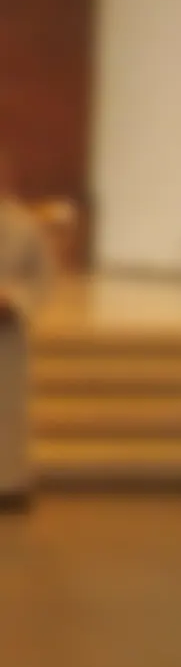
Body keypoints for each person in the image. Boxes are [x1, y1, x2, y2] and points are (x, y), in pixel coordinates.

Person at [0, 151, 49, 509]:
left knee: (7, 411)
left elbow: (42, 278)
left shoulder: (23, 225)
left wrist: (14, 301)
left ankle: (9, 484)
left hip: (7, 335)